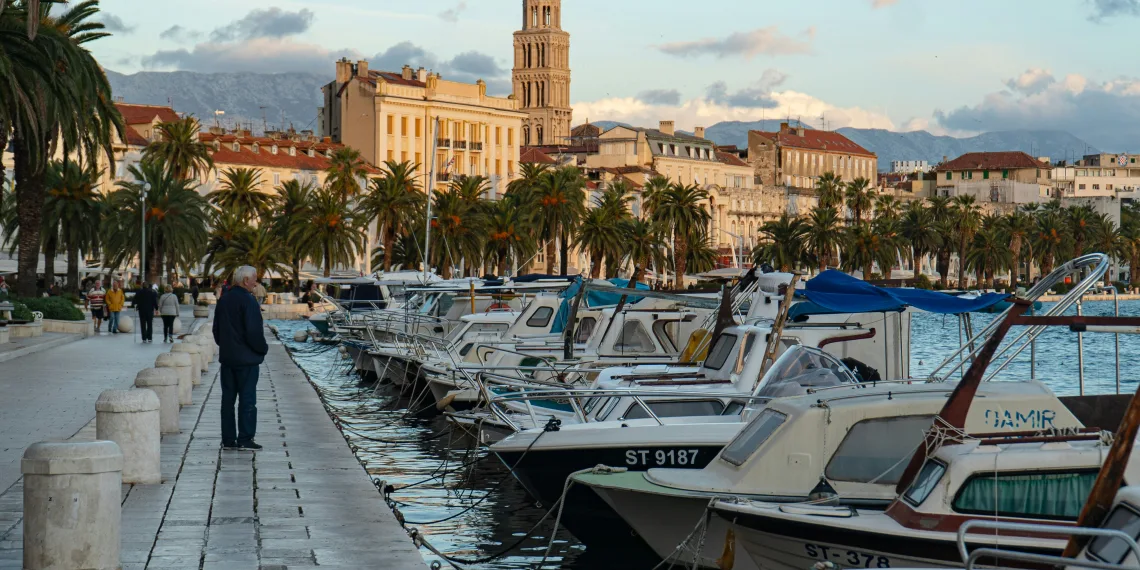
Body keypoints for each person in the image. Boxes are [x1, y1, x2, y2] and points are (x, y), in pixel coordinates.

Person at [213, 265, 268, 451]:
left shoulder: (224, 299)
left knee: (227, 401)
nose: (256, 283)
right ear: (246, 280)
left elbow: (216, 331)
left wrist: (227, 347)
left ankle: (228, 440)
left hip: (228, 359)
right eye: (254, 279)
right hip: (247, 360)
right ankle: (245, 438)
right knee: (247, 400)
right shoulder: (249, 301)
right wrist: (262, 349)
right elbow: (253, 332)